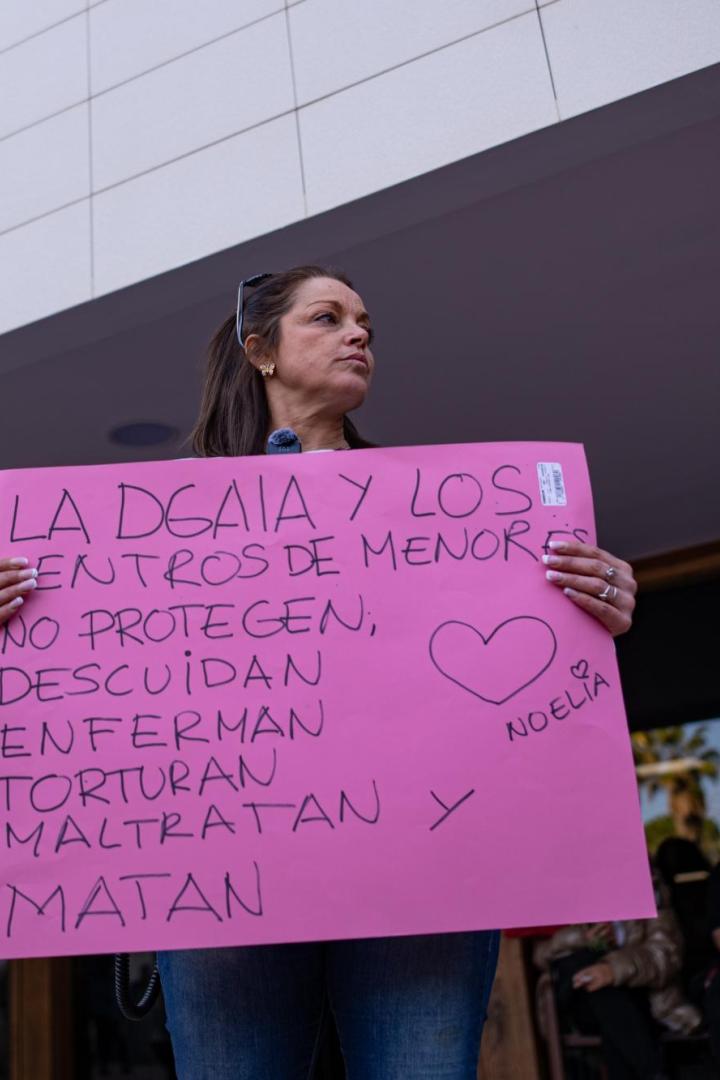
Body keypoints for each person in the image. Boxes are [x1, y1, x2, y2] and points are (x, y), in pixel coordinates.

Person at [0, 265, 639, 1079]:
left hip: (422, 865)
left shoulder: (451, 516)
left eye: (365, 321)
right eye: (328, 318)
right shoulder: (144, 532)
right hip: (225, 872)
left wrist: (599, 605)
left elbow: (533, 665)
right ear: (259, 350)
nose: (360, 333)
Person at [534, 870, 701, 1080]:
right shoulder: (566, 891)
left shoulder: (650, 890)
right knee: (585, 966)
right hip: (579, 1004)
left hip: (643, 999)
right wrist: (583, 938)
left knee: (610, 1002)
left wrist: (612, 970)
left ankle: (654, 1072)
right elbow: (540, 956)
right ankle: (655, 1072)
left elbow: (666, 954)